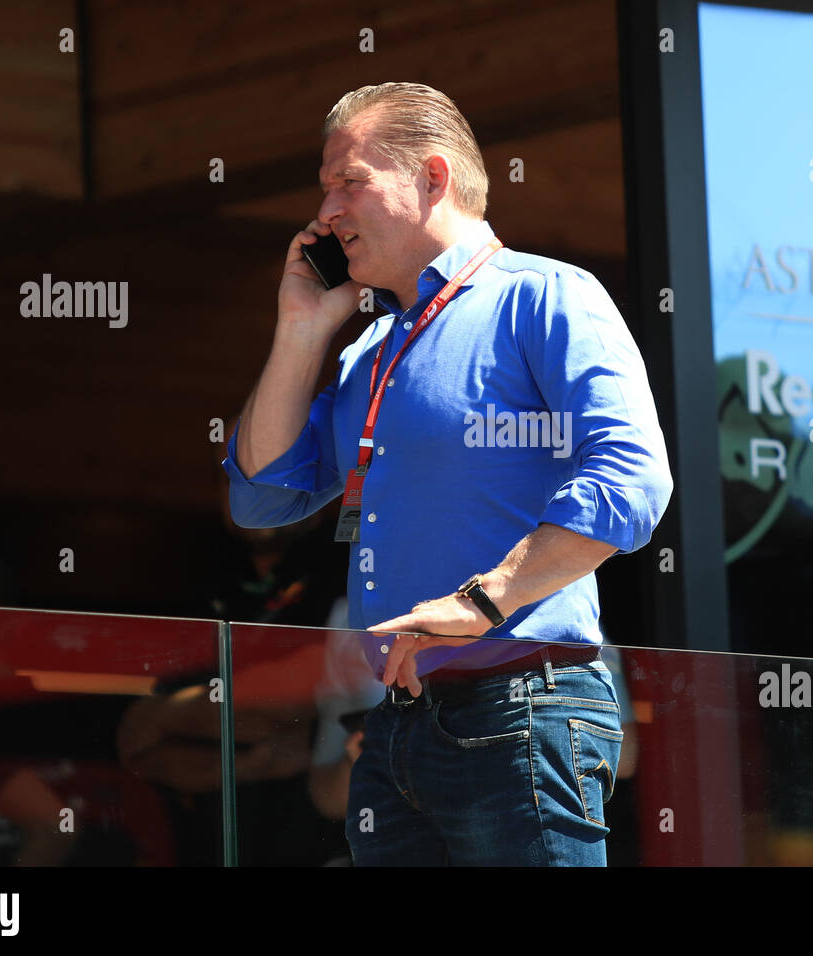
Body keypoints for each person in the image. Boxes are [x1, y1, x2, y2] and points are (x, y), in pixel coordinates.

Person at [221, 82, 672, 865]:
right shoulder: (371, 348)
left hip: (523, 701)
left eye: (348, 182)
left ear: (432, 179)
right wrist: (302, 330)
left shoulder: (547, 297)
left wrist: (484, 601)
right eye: (323, 187)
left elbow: (633, 478)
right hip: (394, 718)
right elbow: (262, 495)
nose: (325, 210)